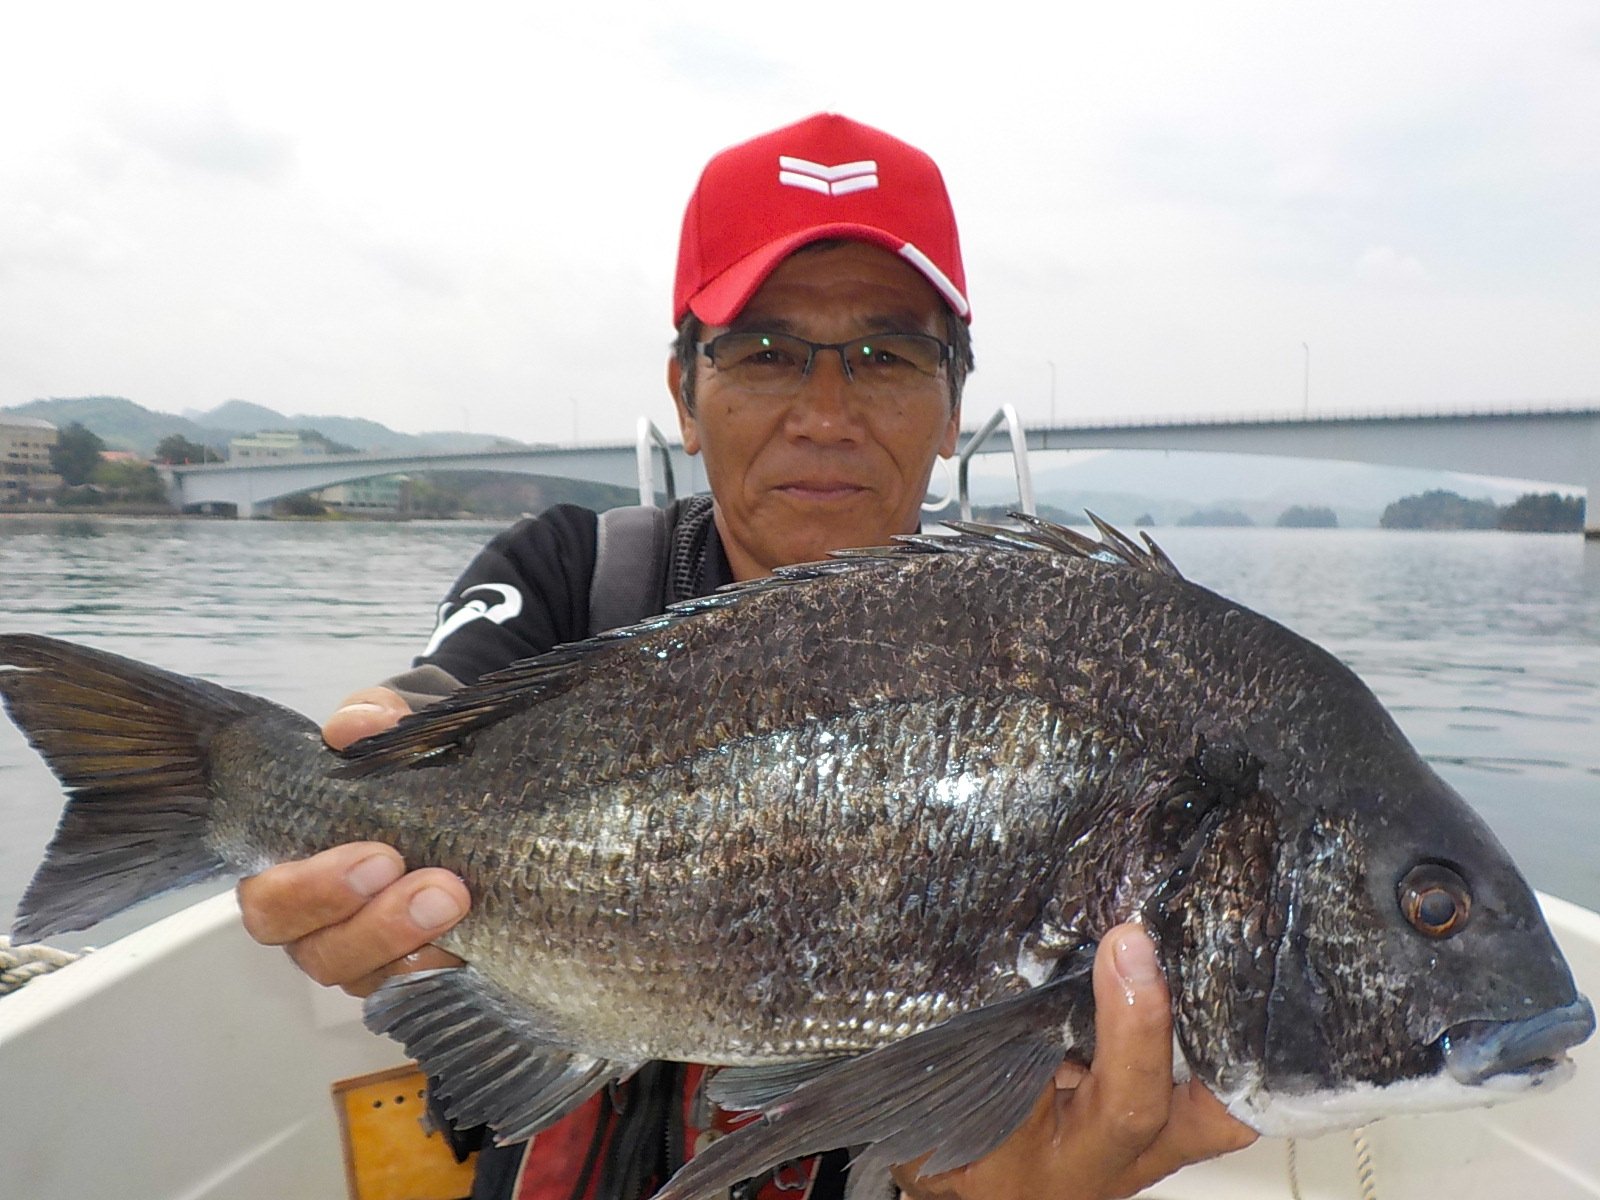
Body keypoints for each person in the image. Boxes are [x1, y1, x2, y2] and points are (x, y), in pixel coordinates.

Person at [237, 113, 1256, 1199]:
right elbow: (437, 702)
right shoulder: (573, 576)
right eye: (765, 354)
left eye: (886, 355)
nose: (825, 414)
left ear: (953, 404)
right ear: (684, 392)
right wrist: (354, 782)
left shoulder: (1048, 645)